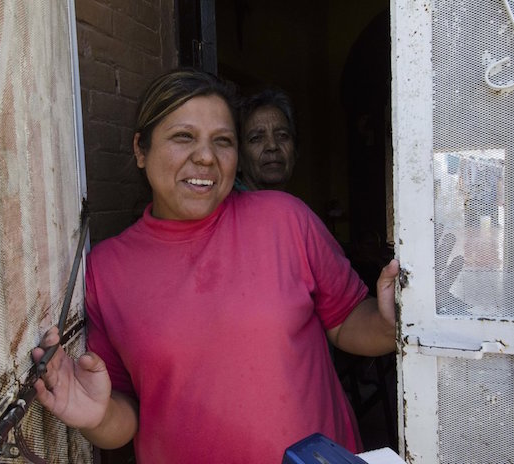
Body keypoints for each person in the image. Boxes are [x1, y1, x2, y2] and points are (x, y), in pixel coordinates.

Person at [32, 68, 400, 463]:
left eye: (222, 141)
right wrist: (95, 416)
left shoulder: (285, 220)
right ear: (141, 150)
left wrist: (388, 322)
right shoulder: (106, 272)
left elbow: (345, 323)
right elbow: (127, 415)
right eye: (183, 137)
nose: (206, 156)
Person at [236, 88, 298, 191]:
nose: (272, 146)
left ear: (295, 152)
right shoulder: (226, 206)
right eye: (256, 138)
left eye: (282, 135)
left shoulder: (294, 206)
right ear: (238, 159)